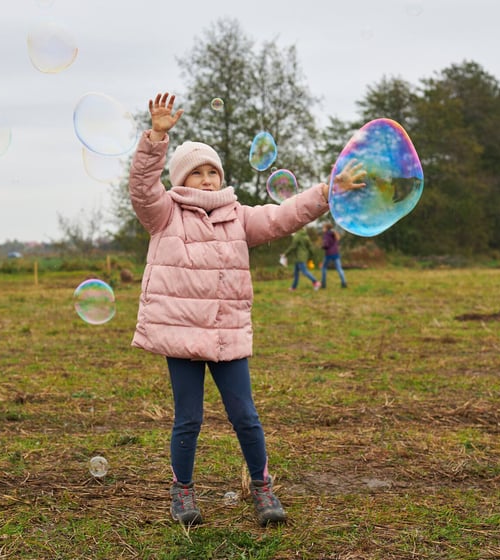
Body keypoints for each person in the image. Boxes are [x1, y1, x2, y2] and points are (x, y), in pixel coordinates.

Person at [128, 92, 366, 527]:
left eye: (212, 172)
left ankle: (261, 487)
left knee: (246, 416)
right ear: (181, 179)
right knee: (188, 419)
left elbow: (285, 215)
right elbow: (143, 188)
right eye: (196, 173)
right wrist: (156, 139)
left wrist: (327, 191)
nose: (205, 180)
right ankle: (182, 491)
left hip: (227, 334)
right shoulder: (163, 214)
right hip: (181, 335)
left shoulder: (238, 216)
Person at [320, 222, 347, 289]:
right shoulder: (334, 233)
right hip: (336, 253)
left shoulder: (326, 235)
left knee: (323, 268)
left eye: (323, 227)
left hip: (329, 254)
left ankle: (323, 284)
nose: (322, 229)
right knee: (339, 268)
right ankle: (344, 283)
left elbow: (326, 244)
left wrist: (323, 247)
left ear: (326, 228)